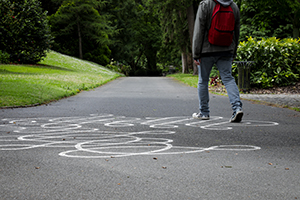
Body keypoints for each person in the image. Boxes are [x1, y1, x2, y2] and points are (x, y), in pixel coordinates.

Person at [192, 0, 243, 122]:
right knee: (228, 78)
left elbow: (199, 30)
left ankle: (204, 113)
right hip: (227, 49)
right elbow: (237, 31)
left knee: (203, 80)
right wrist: (233, 52)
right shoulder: (233, 6)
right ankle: (237, 108)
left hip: (206, 49)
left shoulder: (205, 4)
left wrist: (196, 53)